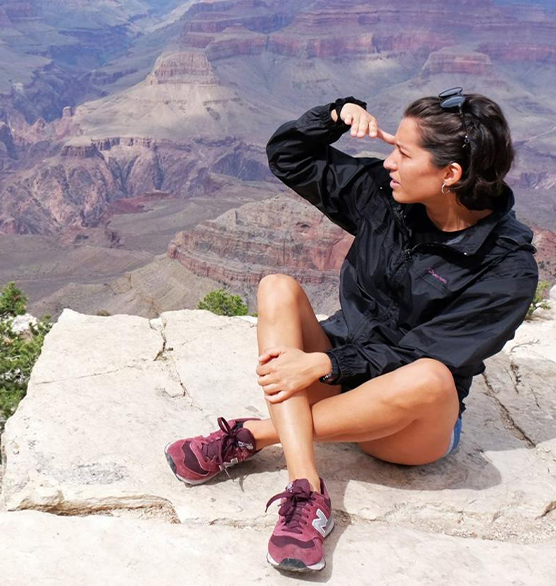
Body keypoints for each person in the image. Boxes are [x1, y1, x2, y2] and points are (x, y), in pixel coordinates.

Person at [163, 89, 539, 573]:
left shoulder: (506, 268)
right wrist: (337, 115)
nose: (388, 164)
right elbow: (289, 156)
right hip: (336, 382)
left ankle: (255, 435)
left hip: (407, 425)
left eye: (403, 153)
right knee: (277, 287)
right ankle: (308, 492)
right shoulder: (387, 199)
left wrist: (325, 363)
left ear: (450, 174)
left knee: (432, 377)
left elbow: (430, 356)